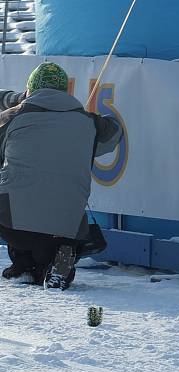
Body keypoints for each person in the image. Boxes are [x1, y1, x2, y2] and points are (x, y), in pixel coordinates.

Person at [0, 61, 122, 290]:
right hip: (68, 225)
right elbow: (115, 131)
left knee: (14, 195)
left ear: (30, 89)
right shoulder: (89, 123)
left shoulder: (12, 117)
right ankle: (59, 255)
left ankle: (24, 265)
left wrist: (18, 101)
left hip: (14, 222)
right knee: (58, 212)